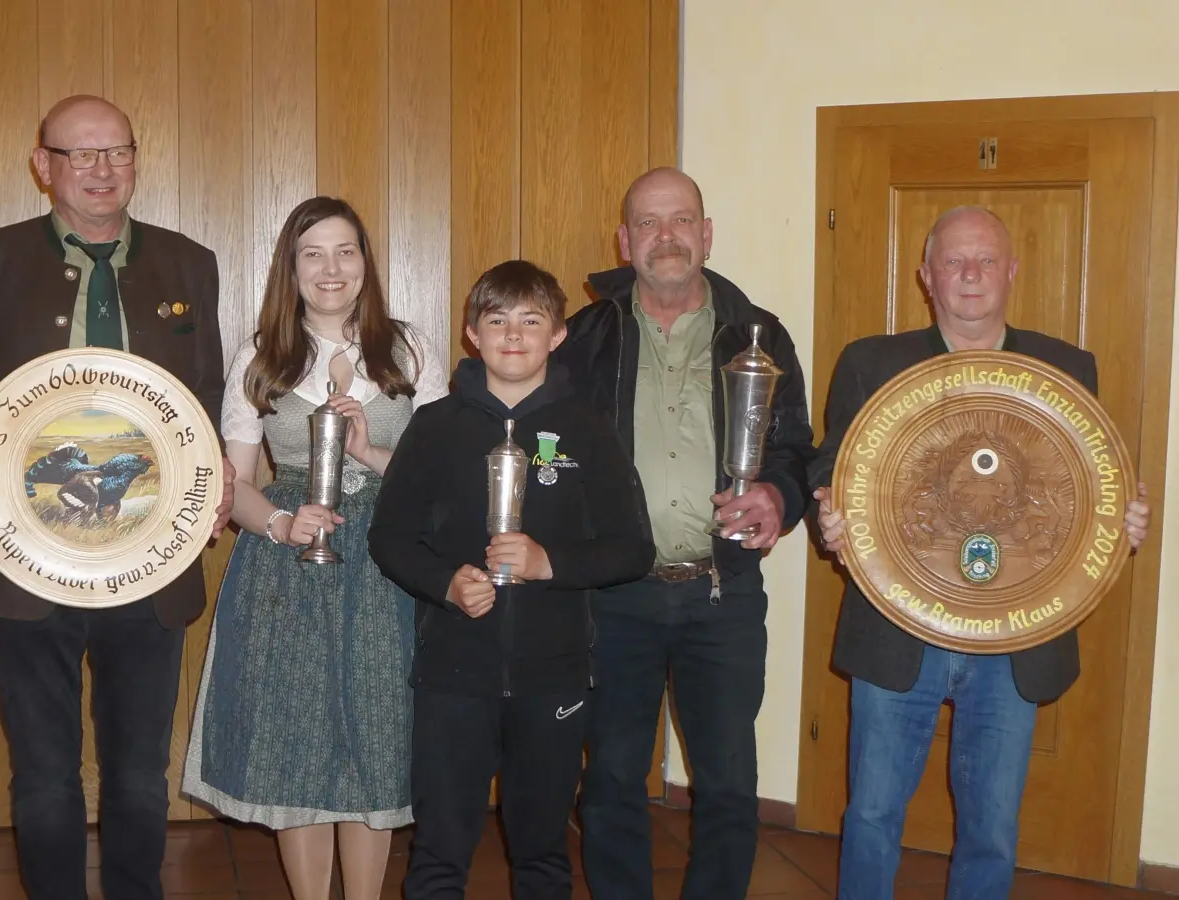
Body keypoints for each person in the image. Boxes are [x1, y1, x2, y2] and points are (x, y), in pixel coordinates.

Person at [0, 95, 233, 900]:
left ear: (136, 158)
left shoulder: (188, 263)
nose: (101, 170)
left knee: (138, 772)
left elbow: (203, 397)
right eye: (79, 155)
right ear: (43, 166)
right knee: (45, 773)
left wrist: (213, 481)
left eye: (116, 152)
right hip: (27, 561)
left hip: (152, 560)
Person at [811, 205, 1152, 900]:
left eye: (986, 260)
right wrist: (829, 512)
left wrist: (1122, 519)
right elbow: (830, 467)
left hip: (1014, 636)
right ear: (926, 276)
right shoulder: (871, 362)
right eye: (954, 261)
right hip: (897, 623)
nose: (970, 275)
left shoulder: (1065, 367)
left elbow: (1087, 484)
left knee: (992, 828)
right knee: (873, 814)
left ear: (1011, 273)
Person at [558, 166, 815, 900]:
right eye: (648, 222)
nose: (665, 236)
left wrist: (780, 493)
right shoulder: (585, 336)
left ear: (706, 234)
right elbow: (550, 444)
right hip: (615, 597)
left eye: (680, 220)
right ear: (625, 239)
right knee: (608, 780)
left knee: (730, 783)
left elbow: (796, 446)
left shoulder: (757, 334)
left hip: (721, 595)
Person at [181, 196, 447, 900]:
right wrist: (276, 521)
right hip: (287, 565)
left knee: (378, 738)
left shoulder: (410, 346)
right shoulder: (262, 355)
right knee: (296, 738)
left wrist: (371, 450)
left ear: (366, 262)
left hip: (388, 562)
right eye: (314, 254)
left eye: (346, 251)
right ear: (290, 269)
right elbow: (230, 482)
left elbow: (437, 473)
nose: (332, 268)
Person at [368, 259, 655, 899]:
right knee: (439, 851)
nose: (514, 335)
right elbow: (389, 538)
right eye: (497, 320)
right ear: (473, 333)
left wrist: (551, 564)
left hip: (552, 673)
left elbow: (633, 548)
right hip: (452, 674)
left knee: (543, 851)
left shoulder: (589, 428)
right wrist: (445, 583)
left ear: (558, 335)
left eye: (532, 321)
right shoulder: (435, 427)